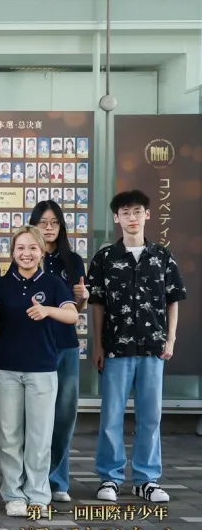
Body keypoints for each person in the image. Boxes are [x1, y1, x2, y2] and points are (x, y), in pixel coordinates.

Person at [89, 190, 186, 504]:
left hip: (153, 348)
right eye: (125, 212)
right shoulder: (105, 258)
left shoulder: (162, 256)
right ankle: (110, 477)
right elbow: (97, 305)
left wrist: (170, 339)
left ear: (148, 215)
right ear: (116, 218)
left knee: (150, 417)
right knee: (111, 416)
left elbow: (173, 300)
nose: (132, 218)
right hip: (116, 349)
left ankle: (147, 479)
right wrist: (98, 345)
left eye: (137, 211)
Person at [0, 226, 77, 519]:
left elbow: (72, 314)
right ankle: (14, 494)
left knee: (39, 436)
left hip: (42, 371)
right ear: (12, 251)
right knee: (8, 436)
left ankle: (38, 495)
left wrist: (48, 310)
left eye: (33, 248)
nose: (26, 254)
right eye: (20, 248)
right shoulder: (1, 286)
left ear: (42, 251)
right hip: (7, 370)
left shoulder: (53, 284)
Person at [29, 201, 89, 504]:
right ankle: (32, 477)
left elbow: (75, 310)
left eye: (54, 222)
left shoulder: (72, 261)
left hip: (65, 345)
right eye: (43, 222)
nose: (49, 227)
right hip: (34, 347)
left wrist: (83, 298)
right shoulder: (27, 256)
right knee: (34, 417)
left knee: (64, 414)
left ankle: (57, 480)